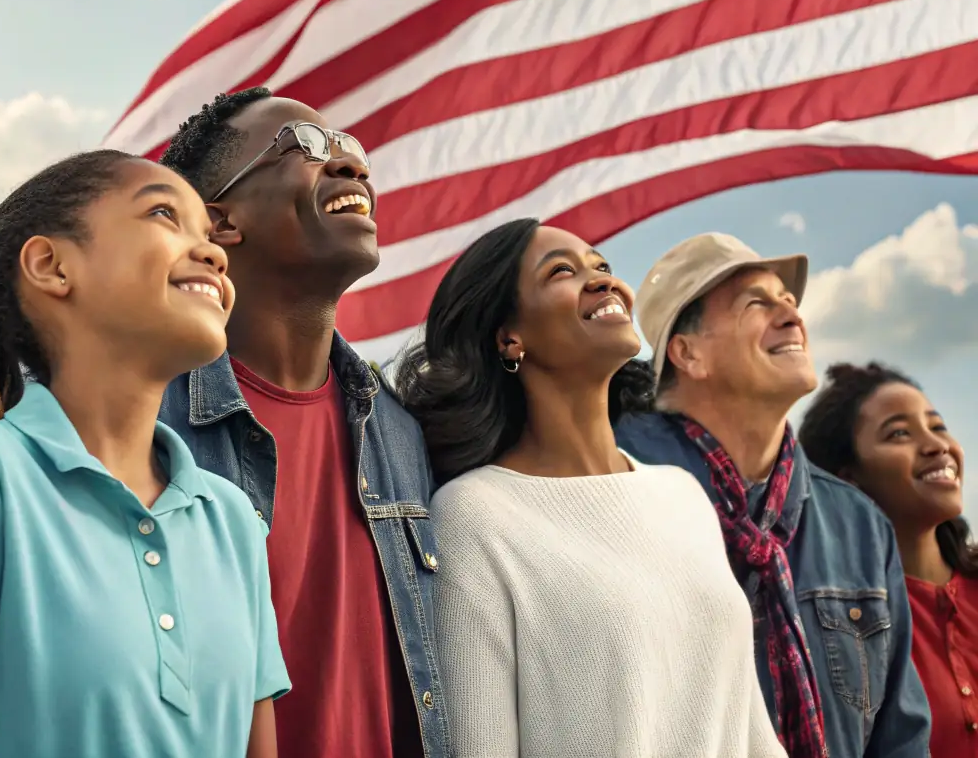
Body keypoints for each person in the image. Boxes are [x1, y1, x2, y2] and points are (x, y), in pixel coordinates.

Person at [396, 217, 786, 758]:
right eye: (563, 271)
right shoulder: (474, 517)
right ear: (510, 337)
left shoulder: (683, 496)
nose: (604, 280)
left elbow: (752, 734)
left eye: (602, 265)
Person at [0, 151, 289, 758]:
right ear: (52, 265)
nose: (215, 254)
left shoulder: (234, 519)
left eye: (212, 238)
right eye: (165, 214)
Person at [158, 88, 446, 758]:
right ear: (220, 222)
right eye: (309, 146)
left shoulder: (400, 430)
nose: (350, 166)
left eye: (353, 150)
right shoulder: (146, 417)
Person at [614, 231, 931, 758]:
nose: (791, 316)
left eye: (788, 302)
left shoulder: (858, 525)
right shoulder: (610, 485)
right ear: (688, 353)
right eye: (757, 303)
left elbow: (899, 739)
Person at [800, 361, 978, 757]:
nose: (937, 445)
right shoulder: (842, 626)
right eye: (899, 433)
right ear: (847, 480)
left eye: (937, 426)